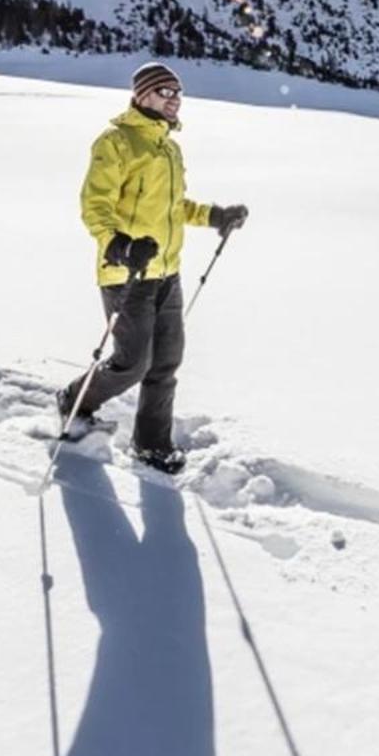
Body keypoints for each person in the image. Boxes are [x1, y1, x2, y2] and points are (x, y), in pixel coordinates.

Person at [57, 62, 248, 474]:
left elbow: (173, 207)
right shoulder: (116, 142)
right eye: (165, 91)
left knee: (166, 362)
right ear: (142, 95)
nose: (174, 99)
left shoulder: (169, 148)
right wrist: (120, 246)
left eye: (178, 93)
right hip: (126, 274)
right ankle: (75, 400)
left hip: (167, 273)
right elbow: (96, 206)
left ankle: (151, 445)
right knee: (132, 363)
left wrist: (216, 216)